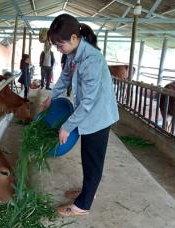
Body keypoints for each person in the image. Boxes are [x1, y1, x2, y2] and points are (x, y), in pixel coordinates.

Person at [41, 13, 119, 217]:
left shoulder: (92, 60)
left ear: (74, 38)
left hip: (99, 116)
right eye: (56, 45)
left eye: (60, 44)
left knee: (93, 159)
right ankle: (87, 191)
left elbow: (88, 102)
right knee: (87, 155)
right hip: (89, 113)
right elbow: (65, 76)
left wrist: (66, 126)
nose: (59, 49)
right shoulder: (73, 55)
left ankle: (83, 205)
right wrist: (52, 96)